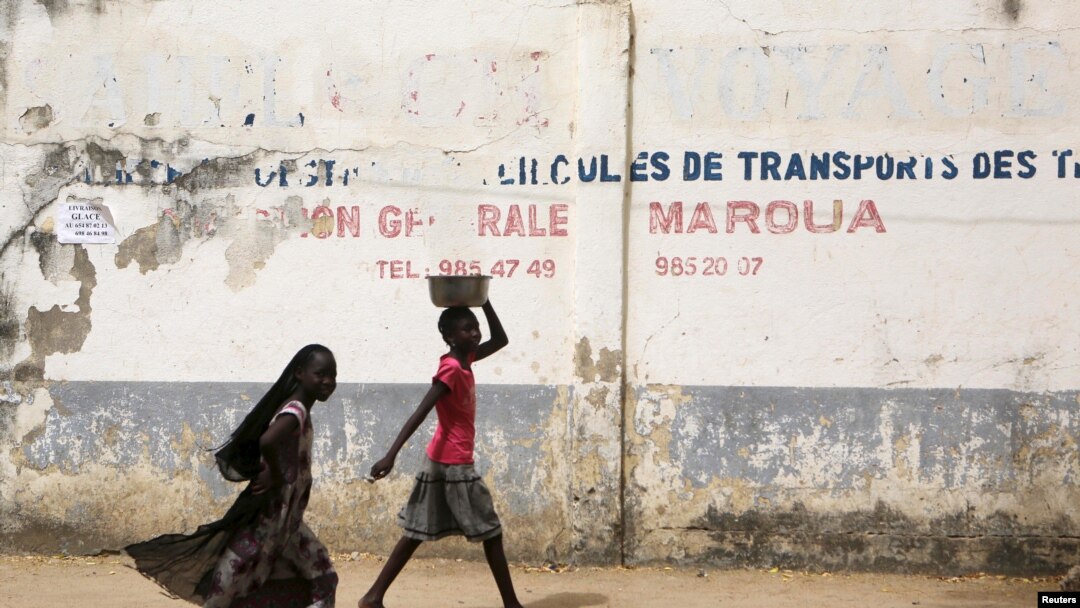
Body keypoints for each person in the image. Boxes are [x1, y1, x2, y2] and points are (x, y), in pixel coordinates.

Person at [126, 344, 339, 607]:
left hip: (287, 521)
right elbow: (269, 441)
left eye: (333, 375)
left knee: (319, 575)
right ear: (299, 373)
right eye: (321, 374)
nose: (328, 381)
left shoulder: (300, 410)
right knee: (235, 578)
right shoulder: (295, 412)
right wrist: (272, 470)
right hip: (271, 516)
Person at [359, 300, 522, 608]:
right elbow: (420, 412)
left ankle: (372, 596)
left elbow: (501, 340)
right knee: (491, 532)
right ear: (448, 335)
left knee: (415, 532)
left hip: (438, 461)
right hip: (454, 464)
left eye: (475, 328)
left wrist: (485, 302)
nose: (474, 334)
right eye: (467, 329)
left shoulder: (466, 359)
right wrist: (390, 455)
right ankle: (512, 605)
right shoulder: (450, 370)